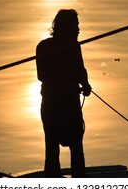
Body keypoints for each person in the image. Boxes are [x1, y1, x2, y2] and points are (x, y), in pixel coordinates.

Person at [36, 9, 92, 178]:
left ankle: (79, 183)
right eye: (75, 26)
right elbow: (42, 76)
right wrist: (68, 81)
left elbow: (81, 70)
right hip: (55, 106)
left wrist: (86, 84)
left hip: (69, 104)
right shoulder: (44, 47)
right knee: (54, 149)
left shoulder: (74, 46)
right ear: (65, 27)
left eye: (78, 26)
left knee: (75, 148)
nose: (78, 30)